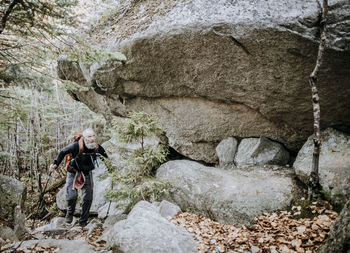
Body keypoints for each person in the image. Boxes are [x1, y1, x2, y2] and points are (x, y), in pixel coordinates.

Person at [49, 128, 108, 227]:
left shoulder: (97, 147)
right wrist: (55, 164)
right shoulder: (76, 146)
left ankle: (83, 221)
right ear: (84, 138)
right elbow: (63, 152)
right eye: (89, 137)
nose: (92, 139)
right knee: (72, 196)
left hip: (87, 172)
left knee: (88, 197)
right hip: (73, 172)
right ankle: (69, 213)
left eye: (94, 136)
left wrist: (112, 170)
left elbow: (105, 157)